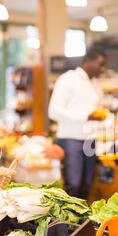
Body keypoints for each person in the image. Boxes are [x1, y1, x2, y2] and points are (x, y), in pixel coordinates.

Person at [48, 48, 107, 200]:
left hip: (91, 140)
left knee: (87, 185)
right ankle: (67, 223)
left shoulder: (95, 84)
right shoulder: (68, 79)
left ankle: (81, 222)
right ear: (88, 61)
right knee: (73, 185)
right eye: (100, 64)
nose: (102, 68)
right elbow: (53, 111)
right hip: (71, 139)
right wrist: (85, 117)